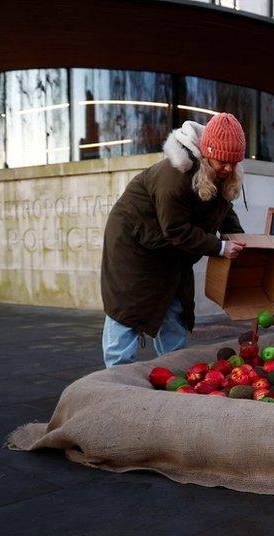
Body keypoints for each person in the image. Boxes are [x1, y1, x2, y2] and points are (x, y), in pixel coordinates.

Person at [100, 113, 248, 367]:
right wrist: (221, 247)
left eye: (234, 163)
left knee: (174, 305)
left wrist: (242, 239)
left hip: (171, 250)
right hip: (134, 247)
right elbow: (177, 229)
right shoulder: (176, 175)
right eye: (223, 161)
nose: (228, 168)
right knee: (127, 311)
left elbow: (223, 210)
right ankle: (116, 380)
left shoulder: (222, 174)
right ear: (206, 153)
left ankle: (174, 373)